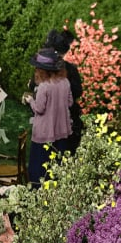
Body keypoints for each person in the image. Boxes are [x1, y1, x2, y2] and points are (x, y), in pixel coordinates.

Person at [23, 49, 72, 187]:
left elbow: (39, 109)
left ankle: (38, 192)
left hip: (44, 133)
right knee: (57, 164)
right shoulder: (65, 82)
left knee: (40, 168)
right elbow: (70, 103)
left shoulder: (44, 86)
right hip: (61, 130)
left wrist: (30, 100)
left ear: (42, 70)